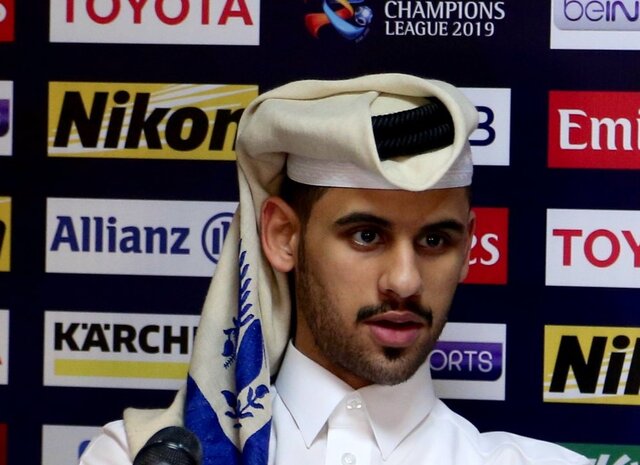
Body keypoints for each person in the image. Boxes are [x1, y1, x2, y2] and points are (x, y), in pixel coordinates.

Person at [79, 73, 588, 465]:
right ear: (283, 236)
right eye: (366, 236)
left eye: (435, 240)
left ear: (469, 247)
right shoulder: (140, 457)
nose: (405, 281)